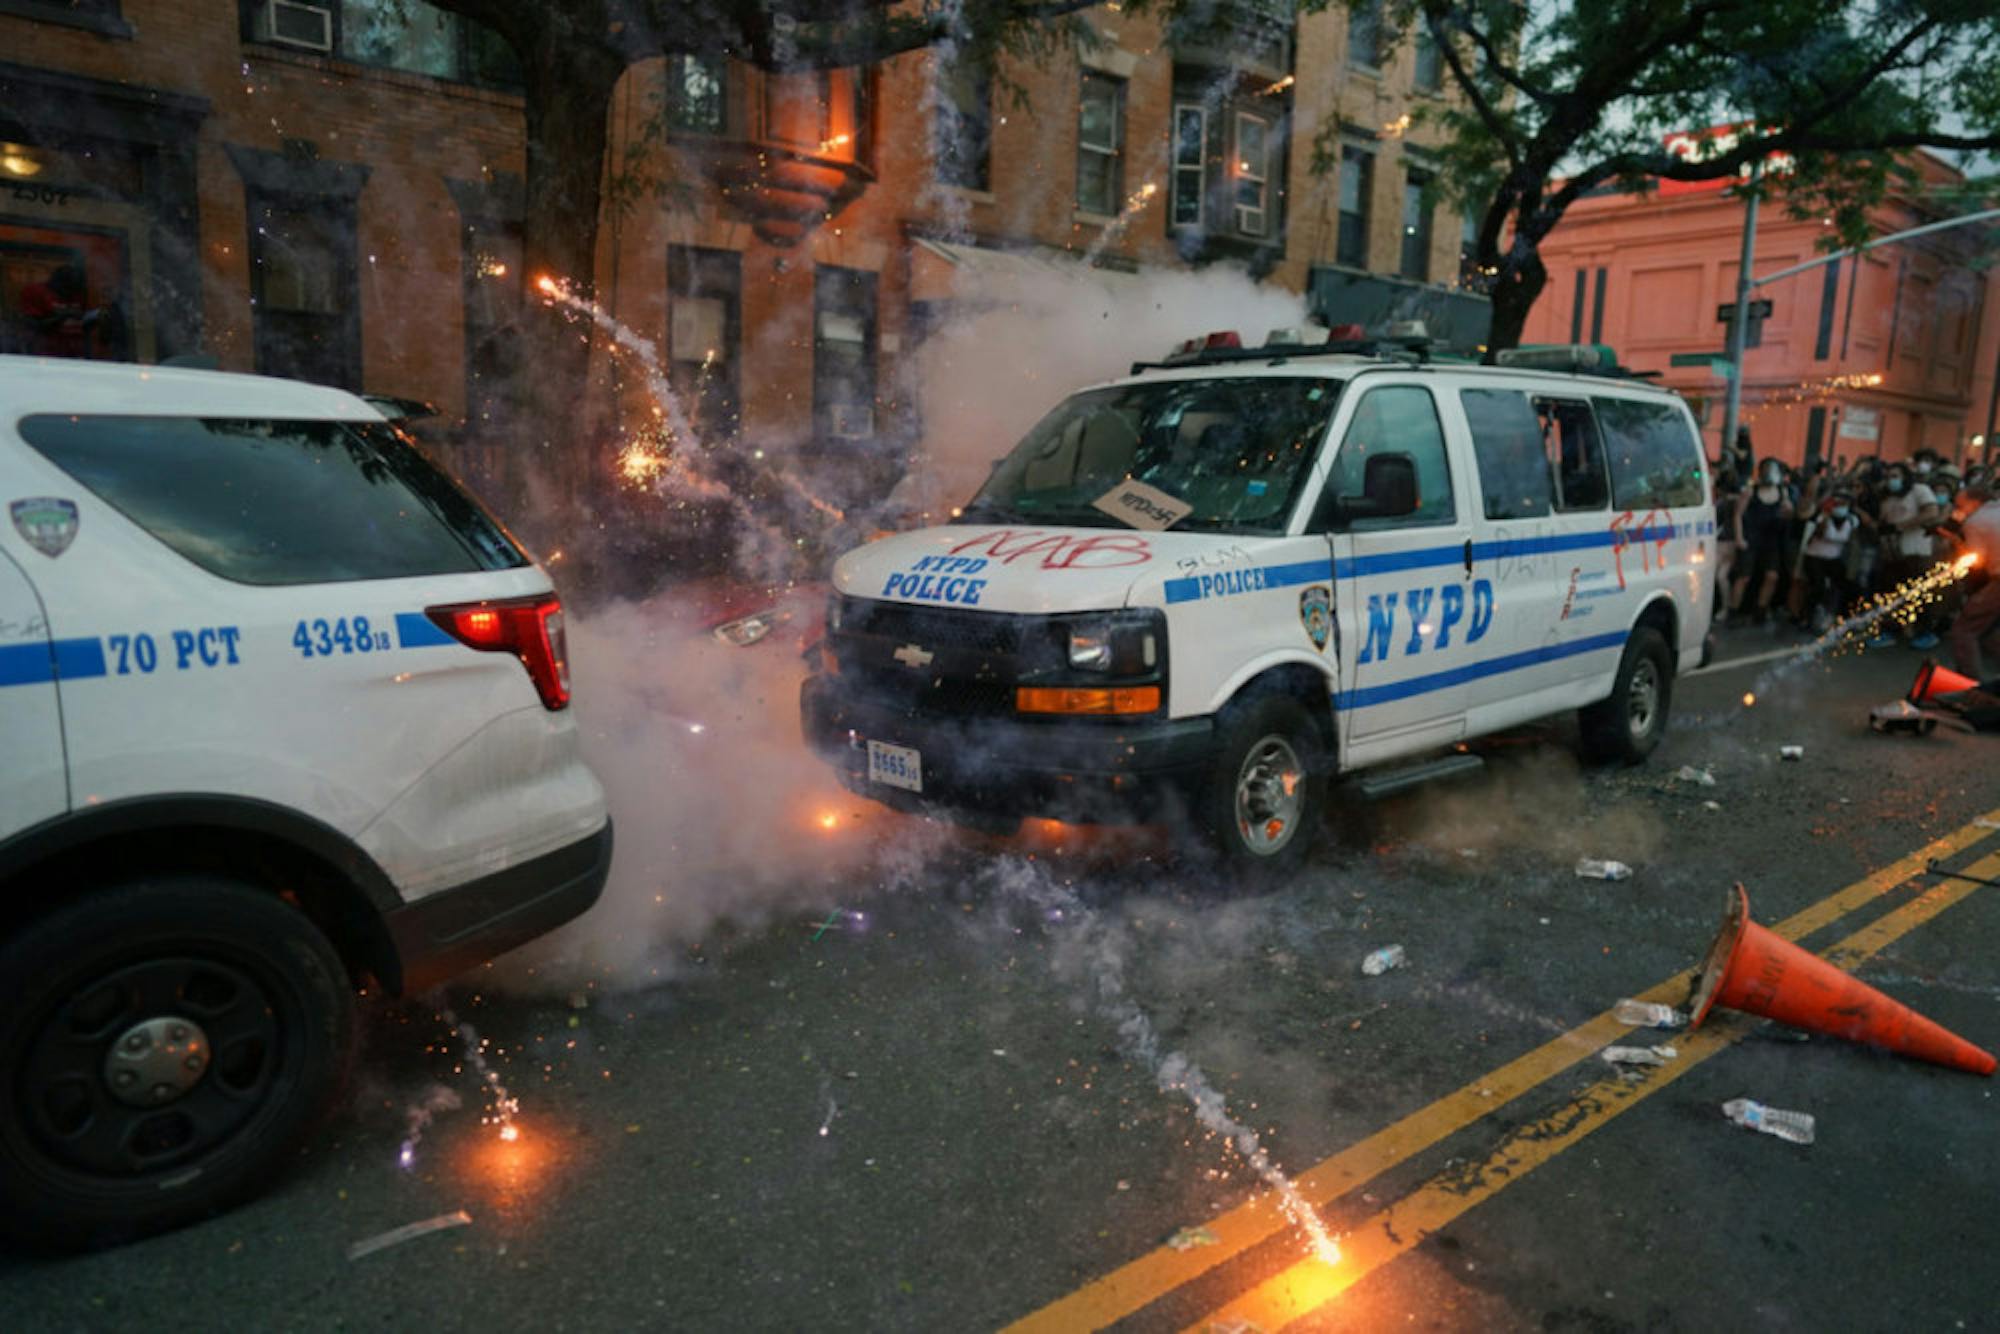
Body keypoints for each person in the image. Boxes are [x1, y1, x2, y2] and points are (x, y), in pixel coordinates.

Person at [1874, 460, 1942, 649]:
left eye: (1895, 476)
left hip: (1916, 551)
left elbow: (1931, 512)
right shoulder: (1887, 498)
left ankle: (1926, 632)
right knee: (1891, 594)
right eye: (1887, 477)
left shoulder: (1919, 490)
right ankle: (1890, 630)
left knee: (1919, 594)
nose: (1890, 481)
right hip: (1894, 554)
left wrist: (1901, 527)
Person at [1948, 479, 2000, 679]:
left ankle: (1969, 686)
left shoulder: (1976, 522)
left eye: (1960, 506)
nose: (1958, 510)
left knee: (1964, 630)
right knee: (1987, 630)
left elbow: (1975, 560)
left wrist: (1955, 542)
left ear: (1975, 502)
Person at [1731, 459, 1792, 625]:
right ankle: (1734, 611)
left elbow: (1788, 512)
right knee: (1744, 577)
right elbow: (1737, 514)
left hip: (1771, 539)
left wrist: (1788, 511)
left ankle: (1761, 610)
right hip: (1751, 537)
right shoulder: (1751, 491)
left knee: (1772, 576)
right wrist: (1739, 537)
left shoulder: (1782, 491)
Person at [1798, 491, 1864, 632]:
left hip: (1833, 559)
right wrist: (1826, 515)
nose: (1839, 507)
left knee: (1851, 586)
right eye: (1836, 504)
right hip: (1814, 557)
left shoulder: (1852, 521)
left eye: (1843, 504)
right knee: (1818, 587)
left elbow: (1852, 543)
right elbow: (1821, 533)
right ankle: (1807, 618)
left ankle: (1846, 616)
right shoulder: (1822, 518)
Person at [16, 263, 90, 359]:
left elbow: (81, 324)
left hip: (74, 354)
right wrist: (63, 316)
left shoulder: (77, 295)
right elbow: (33, 325)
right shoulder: (36, 292)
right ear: (58, 282)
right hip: (45, 354)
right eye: (69, 287)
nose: (71, 292)